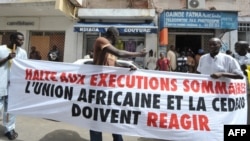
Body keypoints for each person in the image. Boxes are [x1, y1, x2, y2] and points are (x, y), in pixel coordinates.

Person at [91, 26, 147, 141]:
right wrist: (138, 54)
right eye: (117, 37)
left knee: (113, 119)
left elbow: (115, 65)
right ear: (113, 36)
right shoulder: (101, 41)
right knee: (96, 120)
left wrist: (127, 68)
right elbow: (120, 53)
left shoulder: (110, 50)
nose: (117, 39)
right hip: (98, 88)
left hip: (109, 89)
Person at [0, 32, 28, 140]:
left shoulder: (22, 52)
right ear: (11, 39)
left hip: (13, 86)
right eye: (19, 40)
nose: (21, 42)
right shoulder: (1, 49)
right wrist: (7, 58)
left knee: (10, 109)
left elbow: (25, 68)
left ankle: (9, 129)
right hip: (1, 84)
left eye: (22, 40)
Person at [234, 41, 250, 125]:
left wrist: (246, 68)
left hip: (248, 86)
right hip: (235, 87)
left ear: (245, 48)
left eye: (237, 47)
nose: (235, 48)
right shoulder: (232, 57)